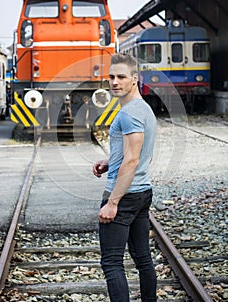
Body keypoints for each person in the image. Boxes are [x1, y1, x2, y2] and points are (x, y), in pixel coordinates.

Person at [93, 53, 157, 302]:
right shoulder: (143, 109)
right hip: (142, 192)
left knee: (111, 263)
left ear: (134, 78)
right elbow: (134, 152)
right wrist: (110, 162)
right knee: (142, 258)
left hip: (125, 194)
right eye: (111, 77)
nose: (114, 82)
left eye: (121, 77)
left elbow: (132, 159)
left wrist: (113, 203)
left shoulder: (129, 113)